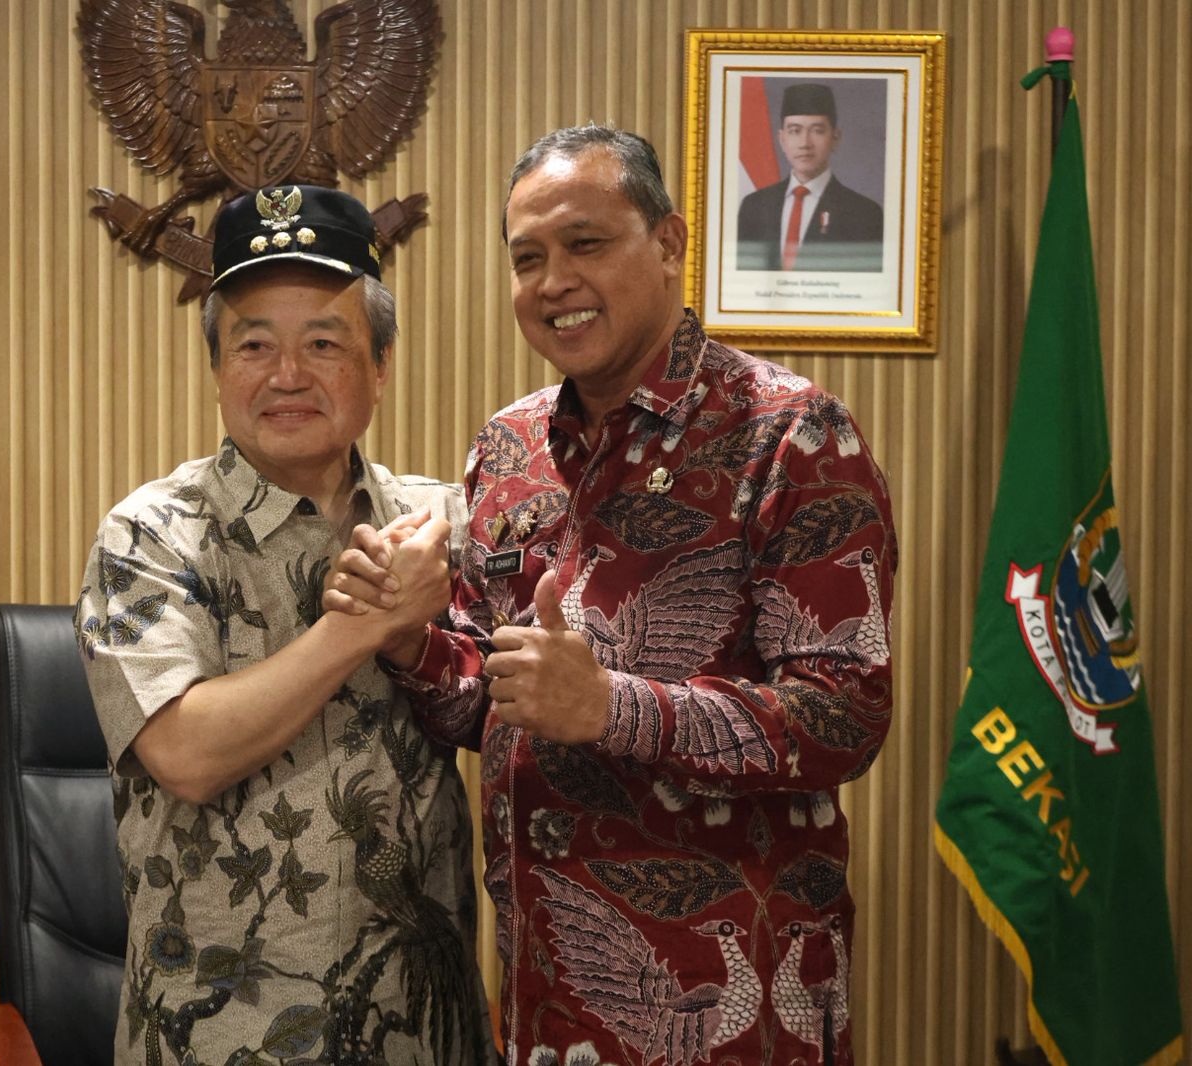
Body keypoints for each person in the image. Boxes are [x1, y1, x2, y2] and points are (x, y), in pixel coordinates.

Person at [327, 126, 896, 1066]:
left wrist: (610, 707)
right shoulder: (506, 449)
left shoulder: (791, 434)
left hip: (725, 1009)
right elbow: (491, 699)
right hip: (542, 999)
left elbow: (847, 714)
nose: (554, 282)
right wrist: (406, 640)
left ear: (668, 243)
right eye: (527, 259)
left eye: (584, 244)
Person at [74, 184, 493, 1065]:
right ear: (217, 368)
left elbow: (514, 718)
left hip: (422, 1032)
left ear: (381, 365)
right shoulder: (149, 535)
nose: (287, 375)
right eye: (254, 344)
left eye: (324, 344)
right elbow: (186, 753)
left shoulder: (443, 525)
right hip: (217, 1035)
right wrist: (362, 625)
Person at [737, 83, 884, 272]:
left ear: (835, 138)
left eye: (817, 130)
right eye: (795, 131)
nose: (805, 143)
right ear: (782, 139)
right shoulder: (753, 206)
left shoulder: (864, 214)